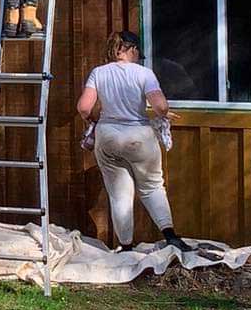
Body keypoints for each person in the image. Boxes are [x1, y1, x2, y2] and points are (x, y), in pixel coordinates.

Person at [77, 31, 188, 253]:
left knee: (119, 194)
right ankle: (170, 237)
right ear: (130, 49)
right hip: (139, 136)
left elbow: (84, 107)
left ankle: (126, 246)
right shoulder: (144, 74)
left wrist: (93, 119)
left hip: (108, 136)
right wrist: (165, 113)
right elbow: (160, 106)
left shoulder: (98, 73)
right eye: (137, 52)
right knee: (152, 187)